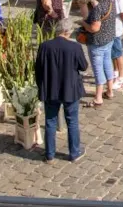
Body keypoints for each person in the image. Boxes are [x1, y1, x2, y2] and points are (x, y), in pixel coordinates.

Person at [35, 19, 87, 163]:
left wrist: (41, 87)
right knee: (72, 121)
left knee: (50, 121)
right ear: (68, 31)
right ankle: (74, 153)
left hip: (50, 89)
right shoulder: (75, 47)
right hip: (70, 89)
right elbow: (83, 66)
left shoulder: (44, 46)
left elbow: (38, 69)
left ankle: (49, 154)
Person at [82, 0, 117, 107]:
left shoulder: (98, 9)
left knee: (98, 68)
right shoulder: (110, 0)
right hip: (109, 38)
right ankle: (110, 91)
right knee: (107, 63)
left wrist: (83, 24)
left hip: (97, 42)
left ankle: (98, 97)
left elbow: (94, 28)